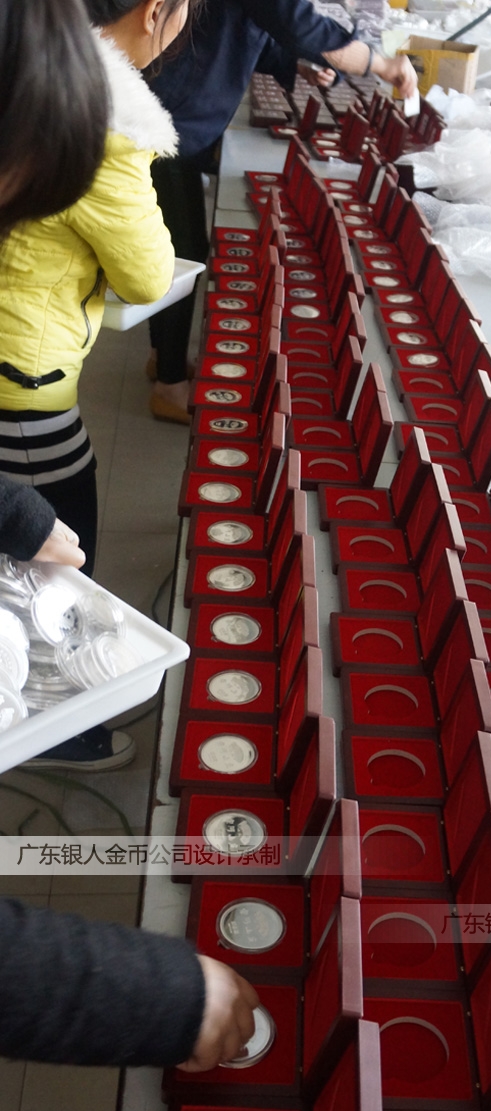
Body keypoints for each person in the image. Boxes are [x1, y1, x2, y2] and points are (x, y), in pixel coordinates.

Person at [0, 0, 199, 770]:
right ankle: (56, 721)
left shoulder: (37, 78)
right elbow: (146, 273)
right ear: (156, 13)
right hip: (24, 371)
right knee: (56, 544)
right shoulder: (97, 123)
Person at [143, 0, 418, 423]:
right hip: (171, 120)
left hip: (182, 110)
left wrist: (296, 65)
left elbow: (254, 26)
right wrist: (381, 64)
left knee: (179, 241)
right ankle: (169, 385)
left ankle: (165, 357)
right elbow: (296, 22)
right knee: (185, 249)